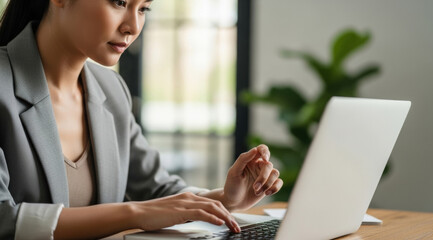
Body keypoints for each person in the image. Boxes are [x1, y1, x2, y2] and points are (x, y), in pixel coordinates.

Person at [0, 0, 283, 239]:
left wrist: (226, 198)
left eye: (143, 8)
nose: (133, 27)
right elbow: (4, 218)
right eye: (120, 2)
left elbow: (157, 189)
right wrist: (134, 212)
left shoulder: (111, 91)